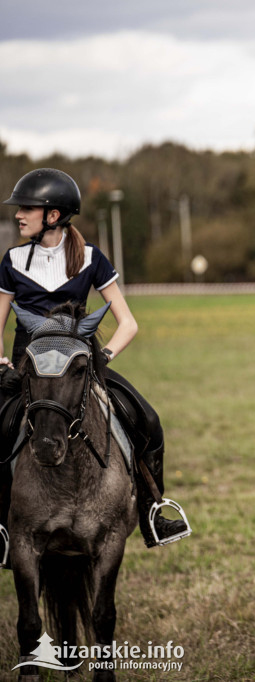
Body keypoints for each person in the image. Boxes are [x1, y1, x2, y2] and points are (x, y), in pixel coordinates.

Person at [0, 168, 190, 557]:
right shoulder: (13, 260)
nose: (18, 214)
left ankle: (153, 511)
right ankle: (3, 529)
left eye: (27, 208)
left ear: (53, 215)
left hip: (80, 369)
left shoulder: (90, 258)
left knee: (148, 420)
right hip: (28, 370)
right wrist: (2, 362)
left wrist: (102, 357)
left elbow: (128, 322)